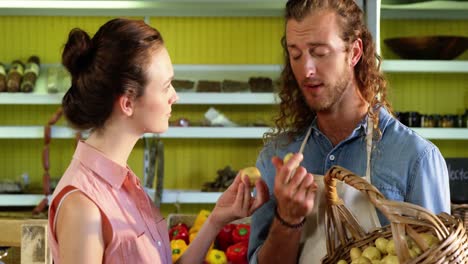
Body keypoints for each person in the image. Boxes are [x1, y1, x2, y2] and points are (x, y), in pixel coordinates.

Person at [47, 18, 269, 264]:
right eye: (166, 86)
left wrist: (217, 219)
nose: (175, 96)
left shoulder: (125, 184)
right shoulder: (83, 207)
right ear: (128, 103)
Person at [248, 0, 450, 263]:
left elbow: (439, 256)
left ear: (354, 52)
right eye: (295, 54)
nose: (306, 70)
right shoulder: (277, 156)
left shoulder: (416, 159)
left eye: (319, 52)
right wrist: (288, 219)